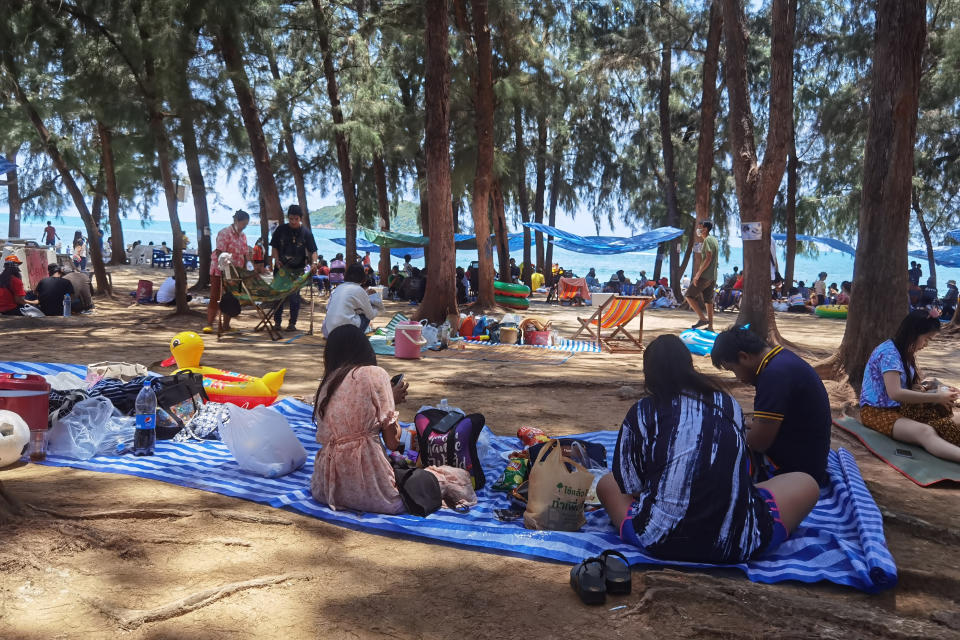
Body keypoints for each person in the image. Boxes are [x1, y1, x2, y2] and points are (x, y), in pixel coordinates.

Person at [596, 334, 819, 564]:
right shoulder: (726, 403)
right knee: (806, 483)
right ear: (688, 366)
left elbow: (632, 486)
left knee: (608, 483)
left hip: (660, 541)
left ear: (649, 374)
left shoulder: (642, 412)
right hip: (737, 544)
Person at [711, 326, 832, 485]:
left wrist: (726, 434)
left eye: (733, 369)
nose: (738, 378)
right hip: (810, 457)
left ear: (743, 357)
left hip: (799, 472)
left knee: (717, 451)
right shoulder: (782, 358)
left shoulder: (773, 376)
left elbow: (758, 443)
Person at [310, 325, 411, 514]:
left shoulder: (328, 383)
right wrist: (389, 399)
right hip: (370, 487)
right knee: (440, 480)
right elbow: (392, 442)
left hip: (325, 488)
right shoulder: (375, 374)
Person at [859, 309, 960, 462]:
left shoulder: (903, 351)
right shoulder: (889, 354)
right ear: (914, 333)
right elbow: (895, 393)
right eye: (926, 339)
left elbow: (904, 387)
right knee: (926, 432)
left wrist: (931, 389)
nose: (926, 344)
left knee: (944, 415)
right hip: (877, 412)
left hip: (900, 407)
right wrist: (936, 396)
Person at [270, 205, 318, 332]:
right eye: (291, 219)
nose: (293, 222)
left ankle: (292, 323)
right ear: (288, 218)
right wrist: (276, 260)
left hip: (297, 270)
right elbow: (274, 247)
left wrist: (314, 263)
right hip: (281, 268)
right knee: (278, 296)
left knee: (294, 297)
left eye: (296, 219)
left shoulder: (306, 233)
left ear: (300, 219)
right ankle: (277, 322)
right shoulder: (280, 230)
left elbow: (313, 251)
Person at [203, 210, 249, 334]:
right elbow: (220, 252)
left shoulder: (243, 236)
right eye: (243, 224)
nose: (244, 227)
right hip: (220, 270)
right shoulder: (224, 233)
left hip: (235, 272)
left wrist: (245, 269)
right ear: (236, 221)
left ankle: (226, 325)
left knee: (231, 297)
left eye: (246, 225)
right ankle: (210, 324)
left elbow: (245, 254)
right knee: (215, 296)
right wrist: (226, 269)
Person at [321, 264, 383, 337]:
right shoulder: (359, 290)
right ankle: (356, 337)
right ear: (362, 277)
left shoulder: (338, 288)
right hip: (347, 333)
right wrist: (376, 307)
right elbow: (371, 315)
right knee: (365, 316)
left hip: (329, 332)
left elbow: (329, 308)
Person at [684, 220, 719, 330]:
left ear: (706, 229)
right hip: (713, 276)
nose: (698, 229)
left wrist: (697, 275)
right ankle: (711, 327)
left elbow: (708, 258)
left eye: (700, 227)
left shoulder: (707, 241)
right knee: (708, 301)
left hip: (705, 276)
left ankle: (702, 318)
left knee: (689, 295)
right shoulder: (714, 240)